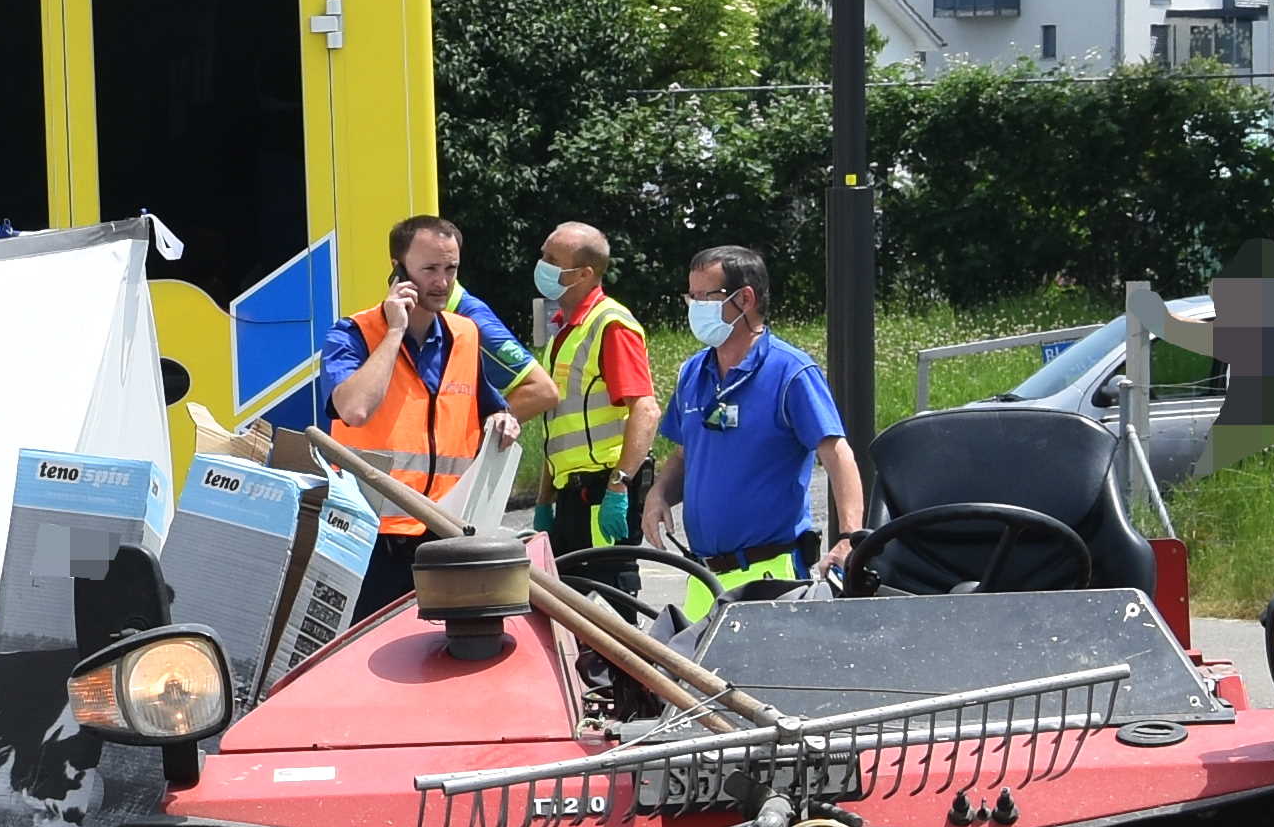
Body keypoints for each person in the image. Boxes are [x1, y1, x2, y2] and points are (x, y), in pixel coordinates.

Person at [311, 213, 520, 621]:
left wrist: (503, 419)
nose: (442, 283)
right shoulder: (352, 334)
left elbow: (488, 405)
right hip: (372, 541)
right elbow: (354, 409)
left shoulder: (465, 334)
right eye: (429, 270)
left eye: (451, 269)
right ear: (398, 272)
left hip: (448, 534)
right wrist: (393, 333)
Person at [644, 242, 864, 609]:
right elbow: (685, 452)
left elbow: (837, 454)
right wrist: (659, 494)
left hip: (769, 574)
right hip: (704, 577)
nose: (694, 309)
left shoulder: (790, 372)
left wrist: (849, 537)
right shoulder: (693, 373)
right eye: (691, 297)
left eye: (705, 297)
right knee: (690, 666)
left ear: (745, 299)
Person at [502, 221, 657, 579]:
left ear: (585, 274)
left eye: (552, 259)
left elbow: (645, 409)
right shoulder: (564, 330)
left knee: (607, 608)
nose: (541, 264)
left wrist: (619, 486)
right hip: (572, 493)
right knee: (571, 613)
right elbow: (560, 426)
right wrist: (545, 498)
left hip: (603, 489)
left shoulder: (611, 325)